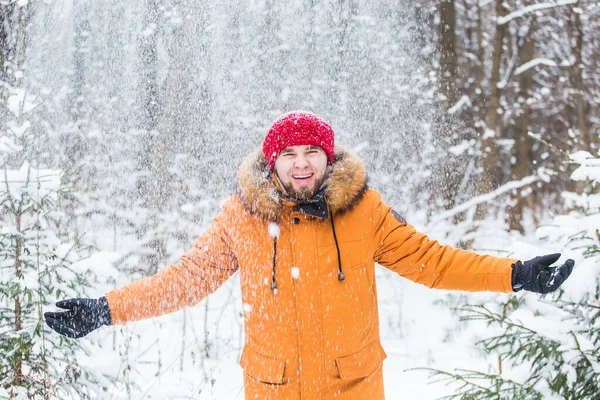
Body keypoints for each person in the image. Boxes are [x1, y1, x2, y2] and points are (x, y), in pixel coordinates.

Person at [45, 111, 575, 400]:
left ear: (329, 158)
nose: (302, 166)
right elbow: (184, 281)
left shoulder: (365, 213)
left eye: (312, 154)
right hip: (273, 389)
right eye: (290, 156)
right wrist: (107, 308)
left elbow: (432, 262)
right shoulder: (242, 218)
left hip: (354, 387)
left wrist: (516, 274)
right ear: (272, 163)